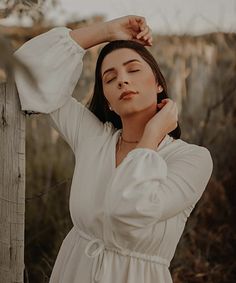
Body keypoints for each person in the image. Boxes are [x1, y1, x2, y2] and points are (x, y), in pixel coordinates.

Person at [13, 15, 213, 283]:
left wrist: (153, 134)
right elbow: (26, 72)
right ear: (107, 102)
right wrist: (106, 31)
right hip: (73, 273)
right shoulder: (93, 138)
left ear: (158, 84)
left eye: (133, 70)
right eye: (110, 78)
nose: (122, 80)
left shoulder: (192, 159)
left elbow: (130, 210)